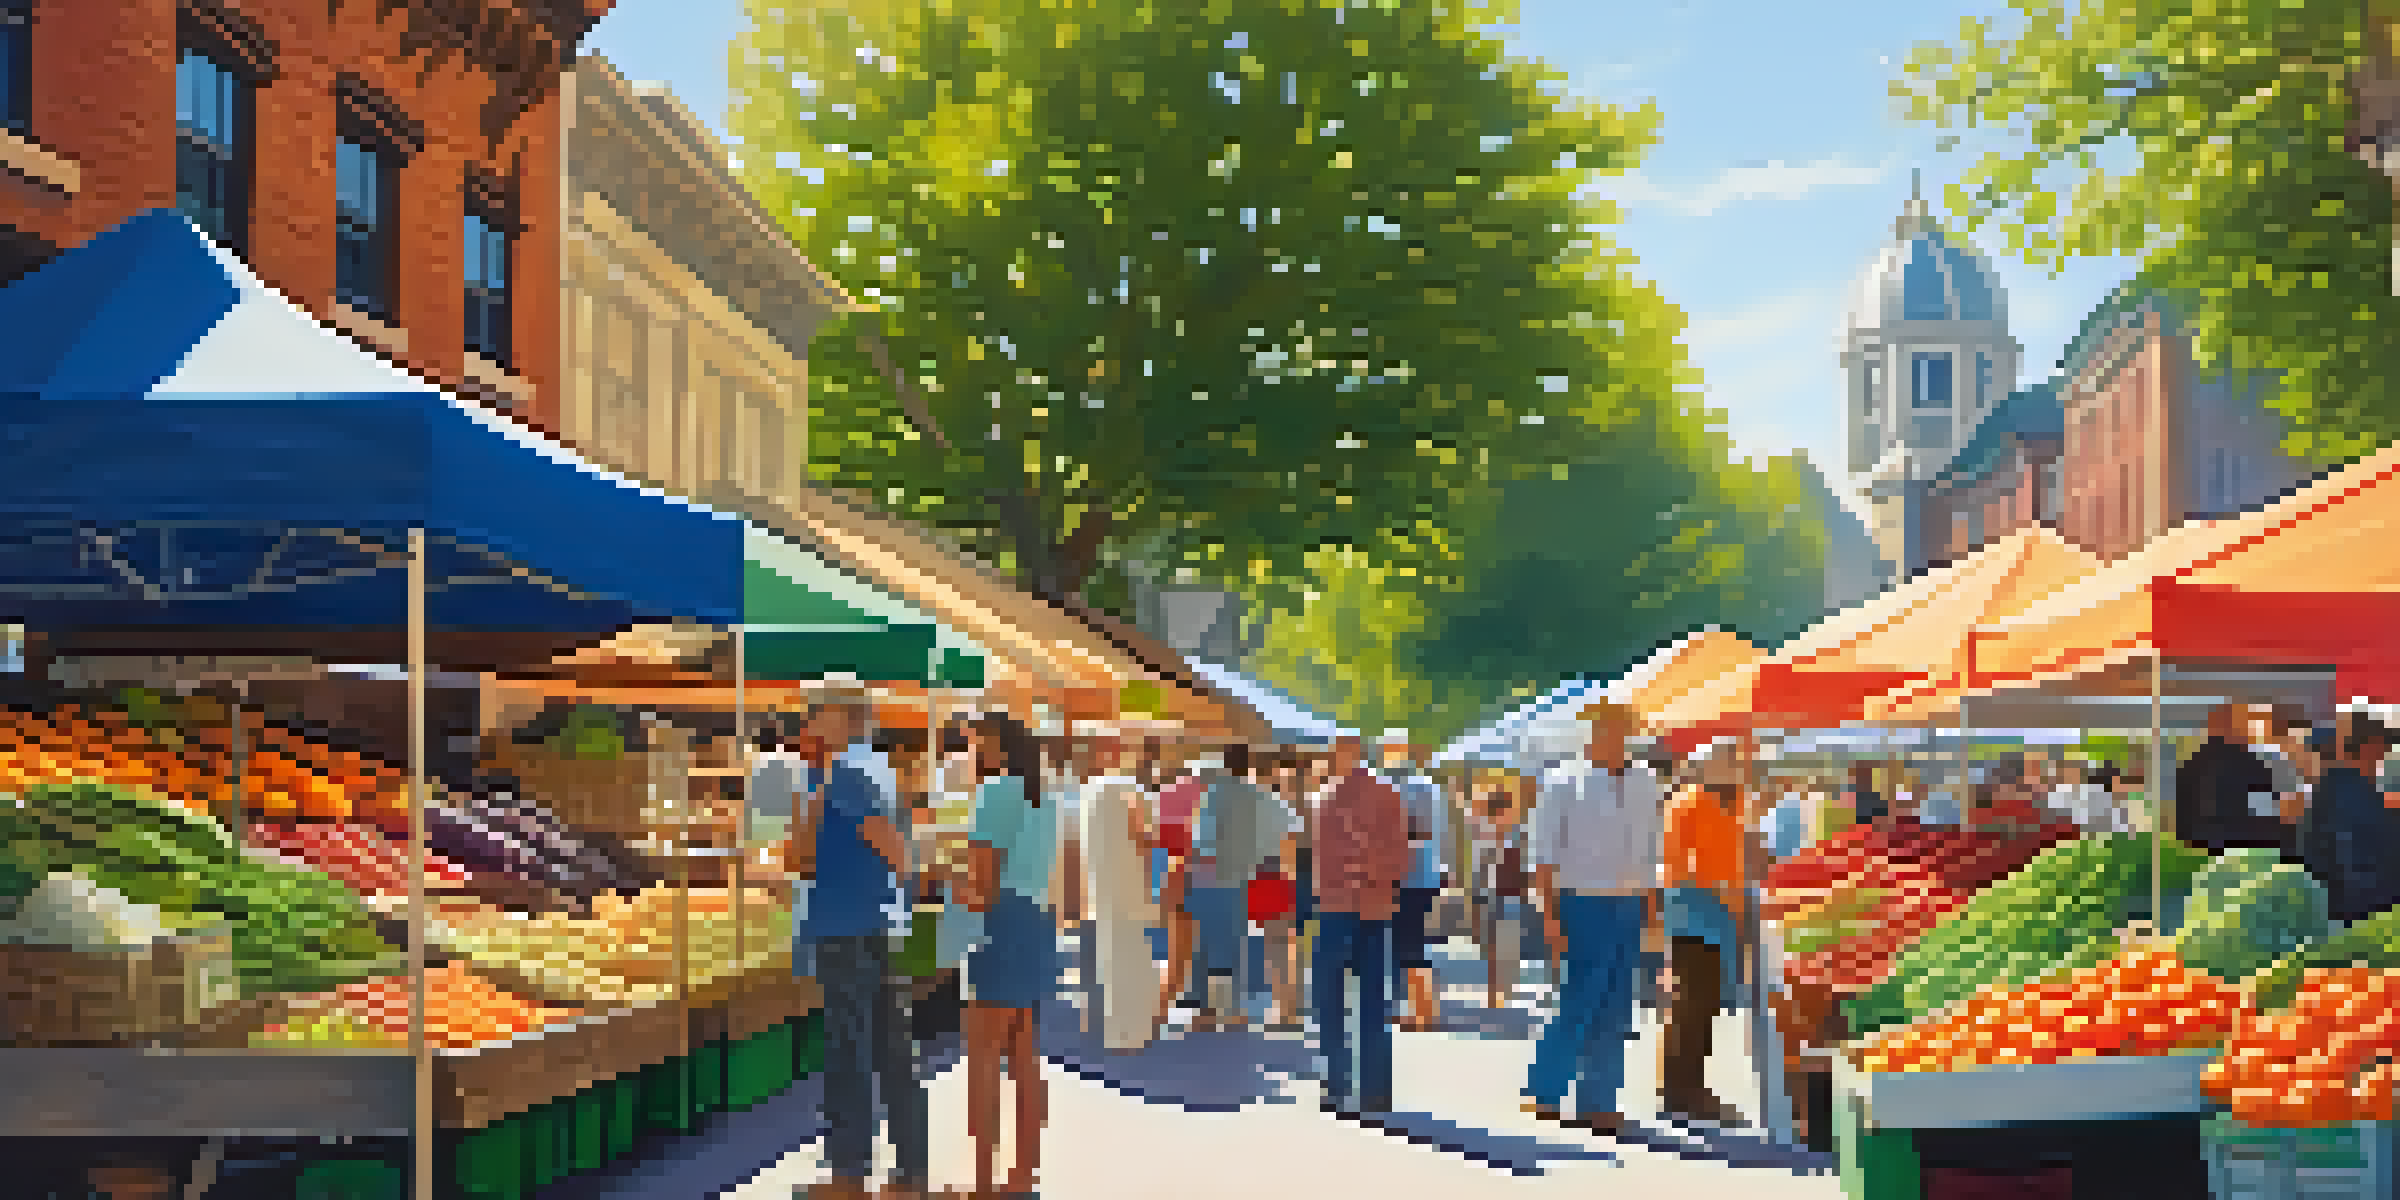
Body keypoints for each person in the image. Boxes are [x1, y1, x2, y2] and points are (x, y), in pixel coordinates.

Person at [784, 692, 926, 1200]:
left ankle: (849, 1173)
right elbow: (803, 854)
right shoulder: (872, 769)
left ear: (842, 718)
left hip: (848, 926)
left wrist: (887, 883)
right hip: (874, 923)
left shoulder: (847, 772)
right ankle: (908, 1169)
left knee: (850, 1050)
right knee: (890, 1047)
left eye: (817, 713)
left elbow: (893, 847)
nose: (809, 722)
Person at [1522, 702, 1664, 1137]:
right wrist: (1549, 917)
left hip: (1629, 904)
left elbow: (1652, 853)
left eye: (1623, 727)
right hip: (1579, 903)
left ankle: (1599, 1102)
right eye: (1608, 727)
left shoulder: (1646, 782)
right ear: (1593, 732)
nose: (1616, 735)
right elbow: (1542, 856)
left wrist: (1653, 915)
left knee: (1618, 1007)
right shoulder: (1563, 781)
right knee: (1578, 998)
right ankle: (1544, 1091)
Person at [960, 712, 1062, 1199]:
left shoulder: (994, 793)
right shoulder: (1046, 798)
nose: (971, 752)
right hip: (1037, 922)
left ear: (996, 745)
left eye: (976, 742)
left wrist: (946, 882)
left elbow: (982, 885)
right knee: (1025, 1055)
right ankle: (1024, 1171)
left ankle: (983, 1178)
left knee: (983, 1056)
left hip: (1001, 924)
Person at [1312, 732, 1413, 1116]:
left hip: (1336, 907)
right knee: (1373, 1000)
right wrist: (1374, 876)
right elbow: (1401, 858)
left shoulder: (1323, 798)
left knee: (1330, 1000)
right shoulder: (1387, 794)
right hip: (1375, 906)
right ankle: (1374, 1088)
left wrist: (1352, 875)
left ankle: (1336, 1084)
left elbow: (1319, 859)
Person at [1660, 777, 1751, 1127]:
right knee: (1694, 1006)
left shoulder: (1698, 802)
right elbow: (1700, 868)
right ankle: (1684, 1092)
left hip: (1699, 917)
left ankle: (1683, 1088)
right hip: (1699, 917)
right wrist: (1733, 904)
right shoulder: (1699, 804)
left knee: (1696, 1006)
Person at [1187, 742, 1283, 1032]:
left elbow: (1201, 840)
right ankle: (1235, 1012)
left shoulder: (1213, 794)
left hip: (1207, 876)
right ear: (1248, 764)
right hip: (1241, 876)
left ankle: (1205, 1013)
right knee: (1235, 945)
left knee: (1204, 946)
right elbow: (1272, 839)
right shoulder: (1258, 796)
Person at [2299, 715, 2400, 924]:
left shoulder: (2337, 786)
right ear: (2370, 747)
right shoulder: (2348, 793)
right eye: (2384, 747)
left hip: (2350, 902)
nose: (2385, 755)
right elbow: (2349, 858)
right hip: (2365, 906)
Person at [1380, 731, 1446, 1032]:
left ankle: (1422, 1012)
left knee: (1407, 945)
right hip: (1425, 874)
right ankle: (1413, 1008)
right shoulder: (1428, 786)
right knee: (1411, 942)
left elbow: (1410, 831)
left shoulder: (1396, 787)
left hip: (1404, 877)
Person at [2177, 704, 2287, 853]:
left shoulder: (2190, 764)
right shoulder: (2248, 761)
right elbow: (2269, 807)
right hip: (2244, 846)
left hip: (2196, 846)